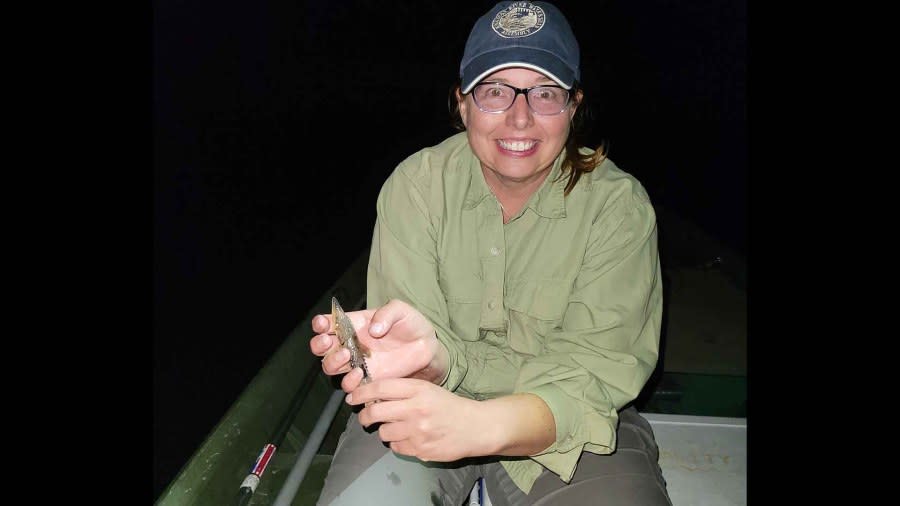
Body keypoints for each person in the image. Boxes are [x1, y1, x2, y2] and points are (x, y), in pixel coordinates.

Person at [309, 2, 671, 504]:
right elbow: (414, 363)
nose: (519, 118)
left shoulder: (618, 206)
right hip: (424, 404)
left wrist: (482, 423)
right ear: (462, 104)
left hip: (572, 420)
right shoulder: (416, 185)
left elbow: (593, 374)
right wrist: (427, 360)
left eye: (545, 94)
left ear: (573, 105)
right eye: (495, 92)